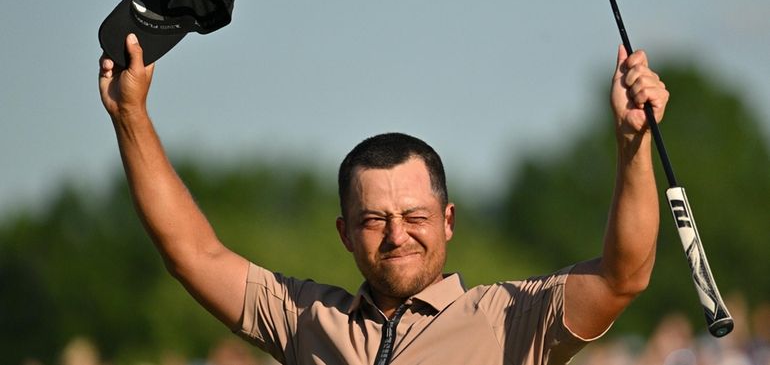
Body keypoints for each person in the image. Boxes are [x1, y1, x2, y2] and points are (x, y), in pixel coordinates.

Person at [98, 33, 669, 365]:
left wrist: (632, 145)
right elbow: (192, 255)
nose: (398, 235)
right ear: (345, 233)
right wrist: (131, 116)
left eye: (415, 216)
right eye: (374, 219)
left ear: (448, 221)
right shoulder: (307, 319)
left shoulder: (509, 320)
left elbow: (623, 277)